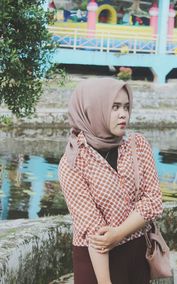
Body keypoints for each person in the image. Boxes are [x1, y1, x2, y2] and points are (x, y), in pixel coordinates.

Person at [58, 77, 163, 284]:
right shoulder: (73, 162)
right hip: (94, 260)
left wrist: (118, 233)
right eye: (114, 107)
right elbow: (94, 232)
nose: (123, 114)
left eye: (126, 106)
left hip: (136, 252)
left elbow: (154, 200)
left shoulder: (137, 145)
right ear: (92, 109)